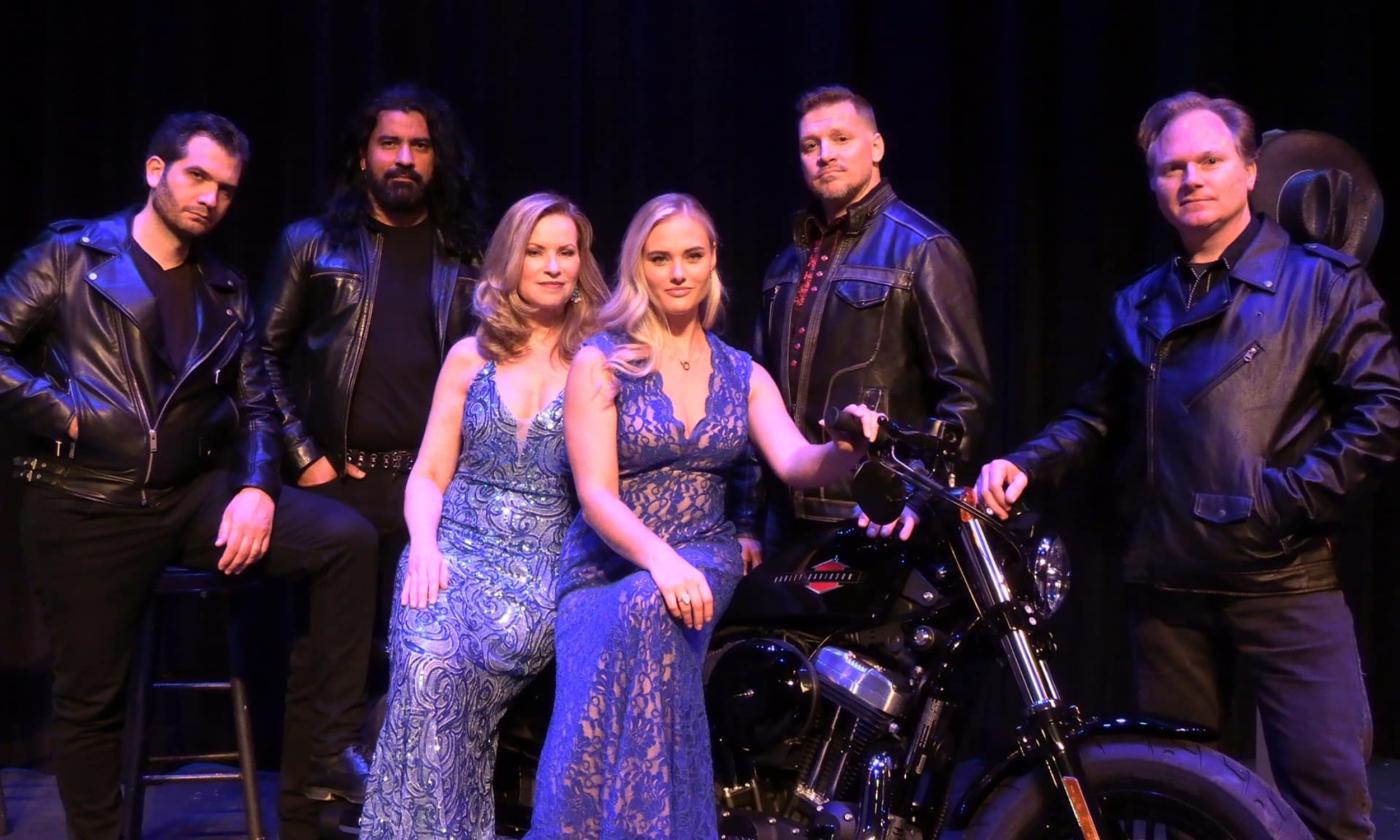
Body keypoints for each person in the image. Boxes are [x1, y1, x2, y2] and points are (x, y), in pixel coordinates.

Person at [975, 91, 1400, 840]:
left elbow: (1379, 416)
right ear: (1153, 184)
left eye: (1209, 161)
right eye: (1171, 167)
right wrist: (1025, 465)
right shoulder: (1139, 302)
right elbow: (1095, 417)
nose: (1190, 179)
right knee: (1183, 805)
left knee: (1330, 802)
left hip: (1284, 579)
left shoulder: (1322, 283)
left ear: (1249, 169)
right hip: (1168, 587)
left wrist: (1279, 505)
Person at [0, 112, 377, 840]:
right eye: (196, 176)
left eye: (226, 188)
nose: (210, 197)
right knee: (91, 701)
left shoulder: (225, 292)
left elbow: (260, 405)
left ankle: (322, 771)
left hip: (186, 500)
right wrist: (68, 415)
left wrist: (259, 489)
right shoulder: (70, 258)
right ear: (155, 171)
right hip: (87, 504)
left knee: (346, 541)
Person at [527, 193, 884, 838]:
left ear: (713, 259)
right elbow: (597, 496)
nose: (678, 272)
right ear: (639, 266)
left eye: (692, 256)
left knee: (652, 609)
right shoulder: (601, 361)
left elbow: (798, 462)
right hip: (607, 563)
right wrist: (659, 563)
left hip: (702, 549)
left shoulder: (741, 372)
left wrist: (846, 447)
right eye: (660, 259)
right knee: (636, 606)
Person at [258, 83, 481, 824]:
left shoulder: (468, 256)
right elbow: (258, 358)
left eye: (420, 146)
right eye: (390, 143)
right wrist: (305, 457)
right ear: (364, 156)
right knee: (323, 662)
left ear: (438, 159)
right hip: (338, 485)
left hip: (432, 492)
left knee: (419, 663)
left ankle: (396, 820)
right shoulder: (312, 244)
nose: (405, 158)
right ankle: (304, 820)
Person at [358, 193, 607, 838]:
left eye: (566, 252)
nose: (552, 266)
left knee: (447, 672)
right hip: (450, 549)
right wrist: (425, 545)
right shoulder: (472, 356)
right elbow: (430, 473)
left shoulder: (601, 362)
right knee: (423, 661)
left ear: (583, 263)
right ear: (511, 260)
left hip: (540, 570)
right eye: (536, 251)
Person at [752, 85, 990, 556]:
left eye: (841, 139)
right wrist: (747, 520)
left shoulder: (922, 249)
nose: (825, 155)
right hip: (786, 528)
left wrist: (915, 499)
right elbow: (752, 395)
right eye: (810, 145)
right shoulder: (784, 265)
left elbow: (965, 398)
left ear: (876, 147)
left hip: (879, 519)